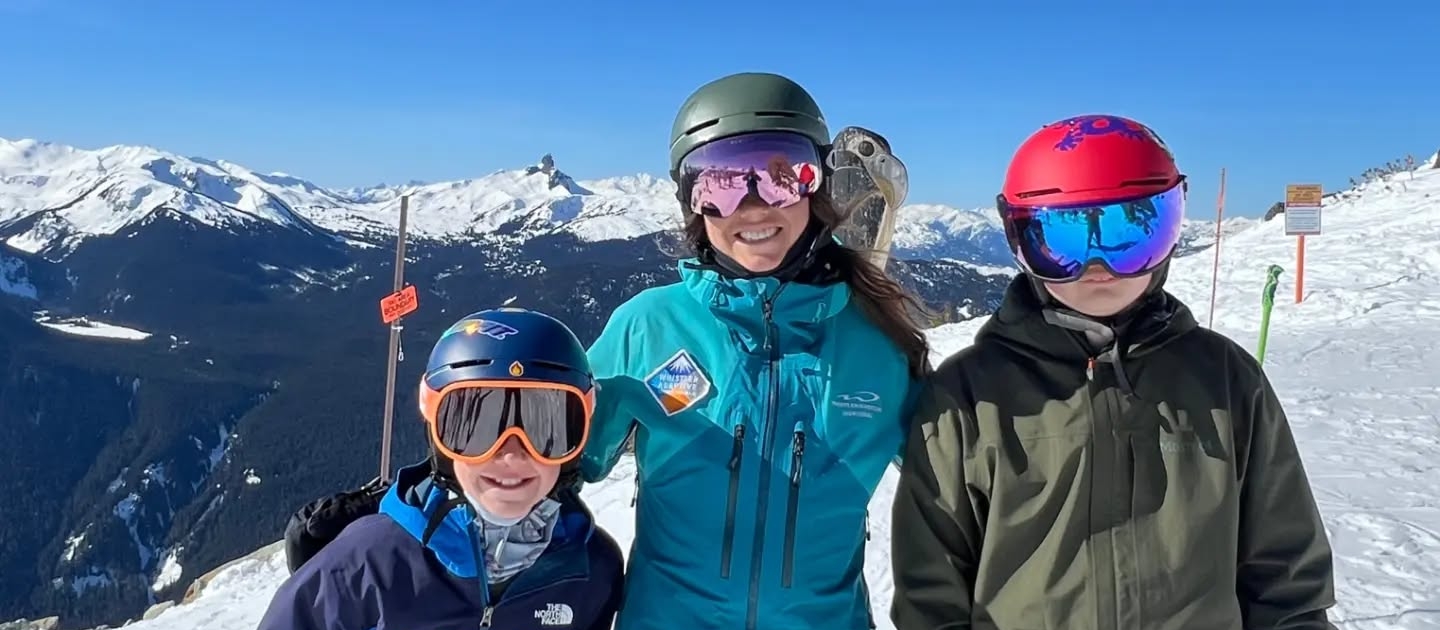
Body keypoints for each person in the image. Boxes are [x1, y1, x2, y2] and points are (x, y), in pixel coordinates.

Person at [889, 114, 1338, 629]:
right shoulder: (971, 396)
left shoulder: (1225, 381)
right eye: (1062, 240)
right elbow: (932, 594)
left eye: (1131, 234)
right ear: (1020, 239)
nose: (1098, 267)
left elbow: (1286, 578)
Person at [579, 71, 930, 630]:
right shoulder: (649, 327)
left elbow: (972, 487)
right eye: (717, 184)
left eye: (778, 177)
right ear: (692, 203)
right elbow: (545, 460)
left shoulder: (875, 346)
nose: (750, 207)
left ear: (816, 184)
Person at [257, 307, 626, 630]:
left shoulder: (591, 571)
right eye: (476, 427)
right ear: (437, 432)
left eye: (546, 429)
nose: (512, 454)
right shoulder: (366, 566)